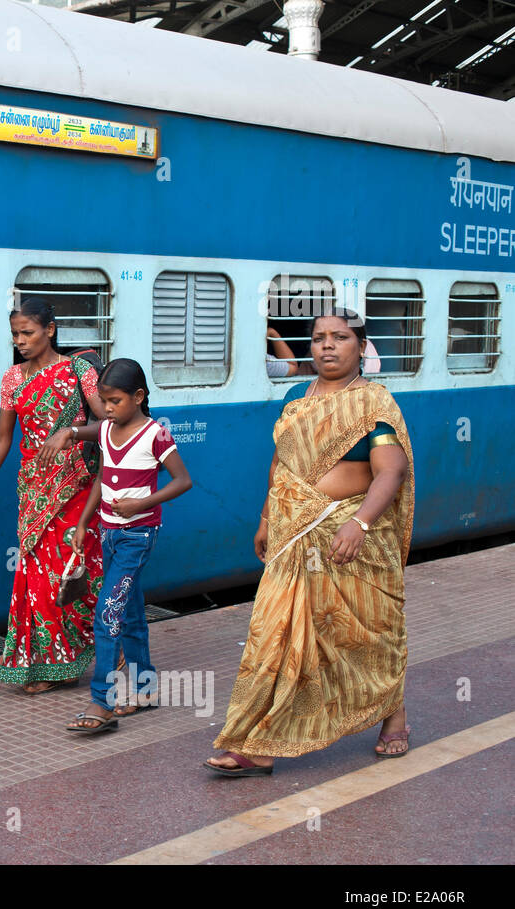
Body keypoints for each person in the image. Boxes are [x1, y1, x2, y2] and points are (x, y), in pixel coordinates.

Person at [206, 308, 413, 776]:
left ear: (361, 346)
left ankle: (392, 712)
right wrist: (264, 518)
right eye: (319, 337)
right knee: (271, 636)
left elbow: (391, 471)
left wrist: (358, 523)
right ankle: (253, 740)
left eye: (340, 337)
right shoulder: (296, 401)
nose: (327, 345)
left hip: (351, 539)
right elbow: (280, 468)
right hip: (292, 536)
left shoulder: (373, 404)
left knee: (365, 639)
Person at [0, 298, 106, 694]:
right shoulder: (13, 378)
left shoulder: (79, 371)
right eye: (15, 334)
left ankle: (68, 659)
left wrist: (71, 433)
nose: (21, 341)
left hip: (76, 487)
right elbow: (3, 438)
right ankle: (42, 662)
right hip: (33, 489)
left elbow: (109, 424)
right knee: (36, 576)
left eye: (28, 333)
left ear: (50, 330)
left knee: (69, 572)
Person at [65, 359, 193, 733]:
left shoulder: (156, 435)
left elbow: (183, 481)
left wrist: (141, 503)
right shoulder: (107, 430)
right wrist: (85, 522)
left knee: (107, 613)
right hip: (108, 532)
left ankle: (101, 701)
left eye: (115, 401)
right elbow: (103, 478)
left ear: (138, 397)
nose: (107, 409)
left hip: (138, 536)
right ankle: (144, 689)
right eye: (104, 401)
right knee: (131, 611)